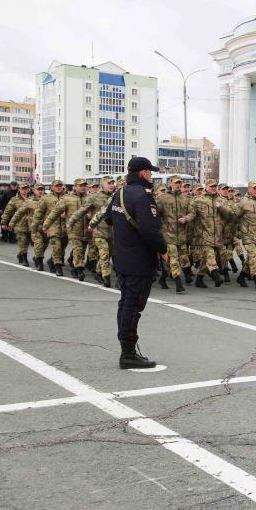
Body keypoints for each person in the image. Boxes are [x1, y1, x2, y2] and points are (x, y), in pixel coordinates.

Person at [104, 157, 167, 369]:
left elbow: (108, 219)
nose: (152, 176)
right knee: (133, 307)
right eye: (150, 172)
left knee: (126, 304)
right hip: (139, 261)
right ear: (142, 173)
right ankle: (128, 354)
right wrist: (163, 249)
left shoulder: (119, 193)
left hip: (122, 258)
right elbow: (150, 230)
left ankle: (127, 348)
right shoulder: (143, 196)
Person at [180, 179, 235, 288]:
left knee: (207, 259)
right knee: (210, 255)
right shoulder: (198, 200)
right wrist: (185, 219)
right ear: (206, 188)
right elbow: (192, 214)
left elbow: (230, 215)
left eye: (215, 186)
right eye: (211, 186)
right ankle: (215, 275)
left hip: (217, 235)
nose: (213, 188)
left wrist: (221, 207)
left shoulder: (222, 201)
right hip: (203, 234)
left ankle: (199, 279)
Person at [74, 176, 116, 286]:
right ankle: (106, 277)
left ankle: (98, 272)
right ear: (103, 184)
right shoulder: (94, 197)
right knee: (104, 253)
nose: (111, 185)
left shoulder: (116, 196)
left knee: (108, 254)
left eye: (113, 183)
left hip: (112, 232)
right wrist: (72, 221)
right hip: (98, 231)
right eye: (109, 183)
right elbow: (82, 210)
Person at [34, 179, 67, 275]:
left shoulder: (67, 198)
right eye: (56, 186)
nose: (59, 187)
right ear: (52, 187)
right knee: (56, 246)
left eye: (60, 186)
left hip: (65, 227)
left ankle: (51, 261)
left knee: (62, 248)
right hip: (52, 226)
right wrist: (35, 227)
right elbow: (38, 213)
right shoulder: (46, 198)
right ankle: (57, 267)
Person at [9, 183, 45, 269]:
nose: (25, 190)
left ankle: (35, 257)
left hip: (39, 227)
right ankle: (25, 258)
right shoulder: (26, 201)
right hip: (21, 226)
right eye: (23, 189)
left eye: (42, 189)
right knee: (23, 243)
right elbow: (16, 213)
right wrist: (10, 223)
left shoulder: (47, 200)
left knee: (39, 244)